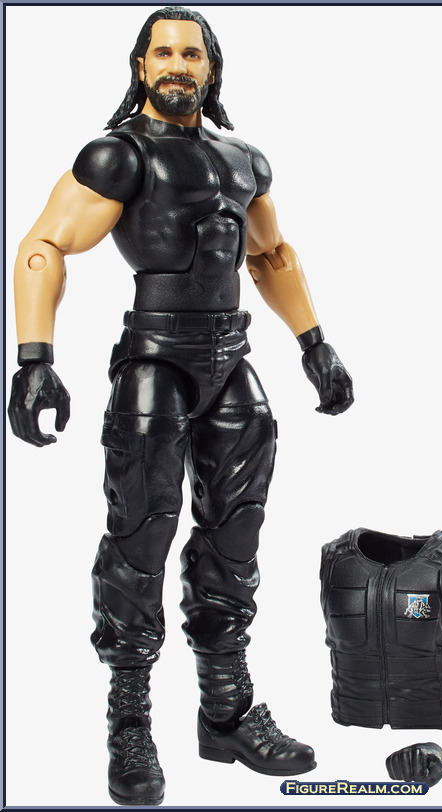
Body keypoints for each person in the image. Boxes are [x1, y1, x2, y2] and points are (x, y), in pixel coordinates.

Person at [7, 6, 353, 806]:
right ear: (140, 65)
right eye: (162, 51)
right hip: (155, 358)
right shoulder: (119, 154)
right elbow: (44, 244)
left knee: (236, 537)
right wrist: (34, 360)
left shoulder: (243, 158)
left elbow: (271, 255)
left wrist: (315, 345)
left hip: (232, 359)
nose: (176, 64)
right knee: (140, 537)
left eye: (191, 54)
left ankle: (226, 713)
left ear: (210, 68)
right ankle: (129, 724)